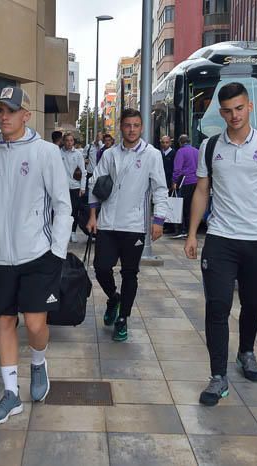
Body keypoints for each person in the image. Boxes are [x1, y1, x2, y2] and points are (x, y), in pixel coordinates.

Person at [184, 83, 257, 406]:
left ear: (250, 108)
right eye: (227, 110)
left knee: (252, 304)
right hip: (220, 240)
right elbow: (202, 191)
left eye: (239, 108)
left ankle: (246, 352)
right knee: (217, 307)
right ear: (221, 111)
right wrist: (191, 233)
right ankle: (218, 376)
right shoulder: (210, 146)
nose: (234, 116)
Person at [0, 87, 71, 424]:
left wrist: (57, 253)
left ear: (26, 116)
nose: (4, 116)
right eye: (0, 110)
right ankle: (11, 394)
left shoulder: (45, 153)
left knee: (35, 324)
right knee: (4, 321)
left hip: (38, 256)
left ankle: (39, 361)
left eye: (11, 111)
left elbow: (62, 205)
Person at [87, 108, 169, 342]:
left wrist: (158, 220)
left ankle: (122, 319)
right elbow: (96, 182)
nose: (131, 129)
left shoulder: (151, 155)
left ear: (141, 127)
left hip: (134, 224)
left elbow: (160, 189)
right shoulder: (111, 154)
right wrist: (93, 215)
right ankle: (114, 298)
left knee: (129, 273)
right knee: (102, 268)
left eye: (135, 125)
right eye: (127, 125)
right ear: (121, 127)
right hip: (108, 223)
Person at [171, 134, 199, 238]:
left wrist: (174, 182)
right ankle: (191, 230)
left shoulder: (180, 152)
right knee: (192, 207)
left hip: (185, 182)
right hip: (196, 182)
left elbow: (177, 169)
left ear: (180, 142)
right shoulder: (197, 151)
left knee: (182, 207)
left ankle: (183, 230)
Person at [60, 132, 86, 242]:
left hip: (75, 187)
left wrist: (82, 187)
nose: (69, 143)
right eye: (67, 140)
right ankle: (63, 232)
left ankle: (73, 232)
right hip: (62, 187)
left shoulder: (78, 154)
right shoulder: (58, 153)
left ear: (73, 141)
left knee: (74, 211)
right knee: (63, 210)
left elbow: (83, 172)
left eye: (71, 140)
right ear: (64, 141)